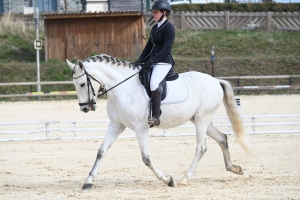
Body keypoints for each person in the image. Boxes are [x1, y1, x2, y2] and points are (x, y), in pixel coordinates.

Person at [134, 0, 176, 127]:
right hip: (154, 60)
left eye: (156, 12)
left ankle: (156, 116)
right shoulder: (155, 27)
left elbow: (166, 48)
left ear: (164, 13)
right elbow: (148, 47)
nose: (154, 14)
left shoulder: (169, 28)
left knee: (153, 83)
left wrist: (152, 61)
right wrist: (140, 60)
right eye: (153, 12)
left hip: (164, 62)